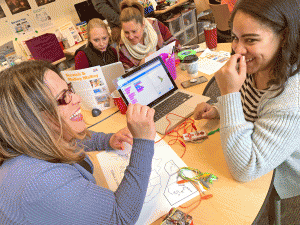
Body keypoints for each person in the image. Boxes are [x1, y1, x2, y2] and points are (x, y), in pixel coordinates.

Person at [0, 60, 156, 224]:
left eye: (69, 90)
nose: (78, 98)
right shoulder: (41, 183)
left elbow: (70, 139)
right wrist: (143, 141)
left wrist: (107, 140)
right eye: (64, 97)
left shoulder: (37, 142)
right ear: (33, 120)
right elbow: (120, 218)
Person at [193, 0, 300, 221]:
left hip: (279, 174)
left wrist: (229, 94)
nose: (237, 49)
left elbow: (245, 169)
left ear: (283, 38)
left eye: (250, 40)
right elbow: (249, 105)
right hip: (255, 143)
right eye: (235, 37)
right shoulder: (259, 64)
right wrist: (219, 109)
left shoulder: (290, 99)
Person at [118, 0, 179, 70]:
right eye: (126, 32)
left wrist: (164, 55)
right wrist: (142, 64)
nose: (131, 37)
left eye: (134, 31)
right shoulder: (123, 47)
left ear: (143, 25)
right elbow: (128, 76)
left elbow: (174, 43)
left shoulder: (156, 25)